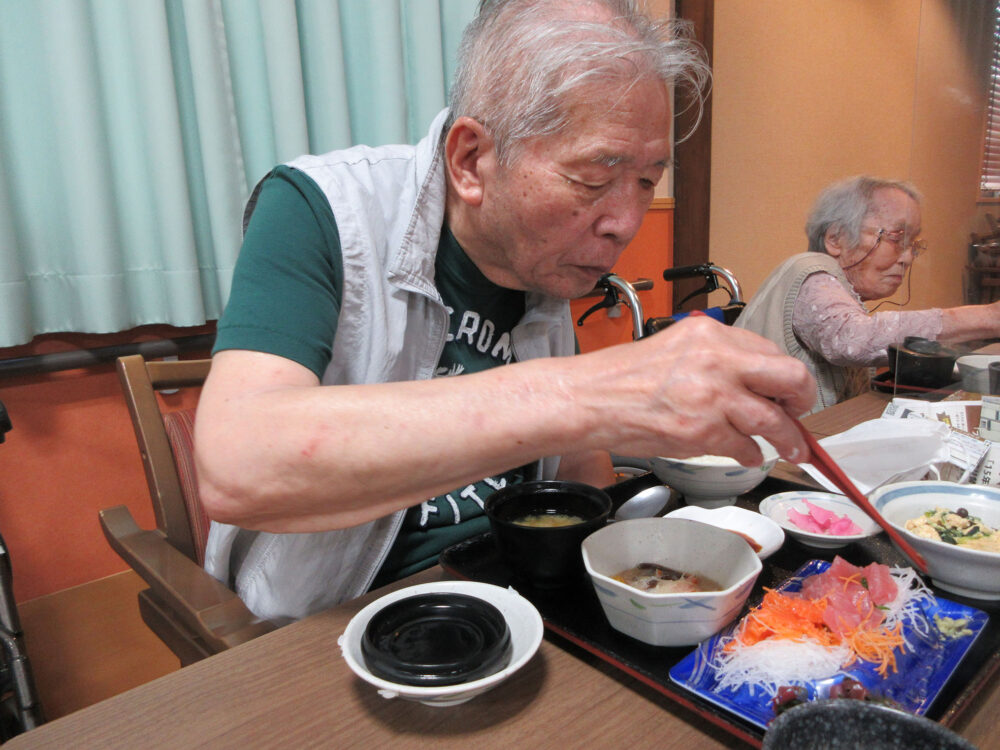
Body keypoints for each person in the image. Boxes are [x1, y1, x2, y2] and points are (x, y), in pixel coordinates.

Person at [194, 0, 816, 624]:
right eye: (595, 179)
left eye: (647, 181)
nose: (625, 224)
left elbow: (579, 473)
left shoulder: (541, 260)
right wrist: (598, 393)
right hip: (331, 625)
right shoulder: (321, 208)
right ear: (471, 160)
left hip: (513, 596)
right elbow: (236, 463)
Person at [735, 175, 1000, 414]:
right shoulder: (811, 272)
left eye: (912, 244)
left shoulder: (840, 291)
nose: (908, 257)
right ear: (836, 239)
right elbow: (852, 340)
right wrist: (988, 316)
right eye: (897, 239)